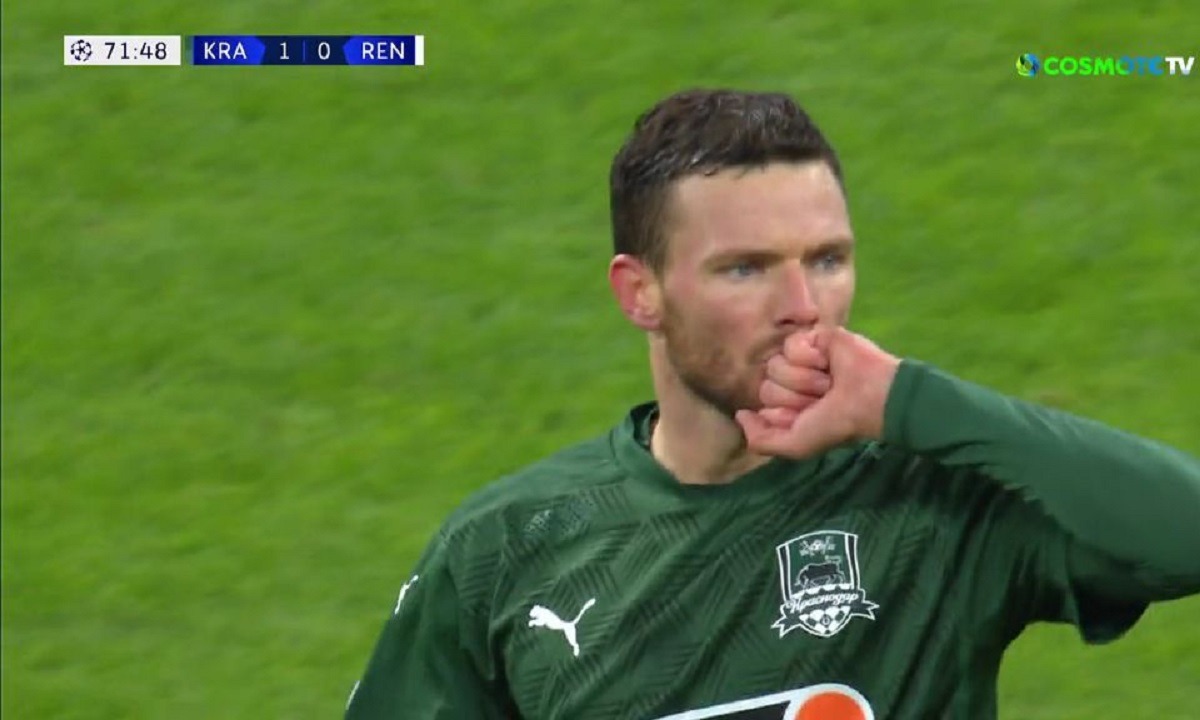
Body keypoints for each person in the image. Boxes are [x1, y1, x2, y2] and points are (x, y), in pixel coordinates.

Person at [344, 88, 1200, 719]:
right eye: (745, 269)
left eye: (827, 260)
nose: (803, 306)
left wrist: (913, 402)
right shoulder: (508, 548)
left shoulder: (933, 501)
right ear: (640, 293)